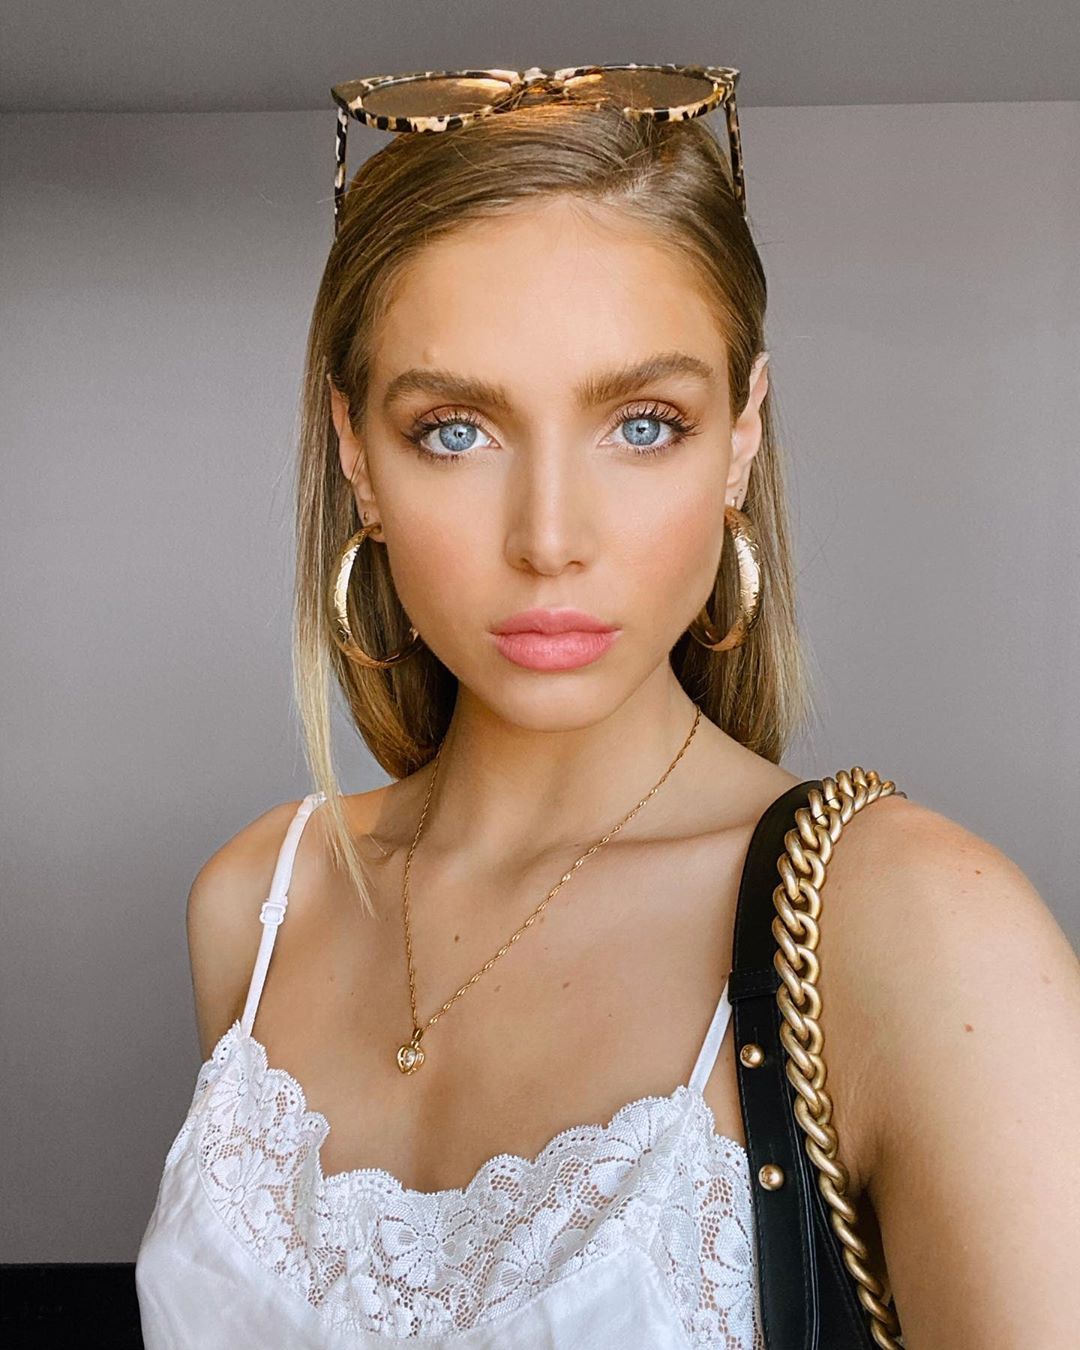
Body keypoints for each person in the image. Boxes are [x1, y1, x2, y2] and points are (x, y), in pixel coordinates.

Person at [135, 72, 1080, 1348]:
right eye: (455, 430)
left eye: (643, 424)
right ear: (356, 451)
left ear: (741, 435)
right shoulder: (258, 904)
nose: (550, 538)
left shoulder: (914, 927)